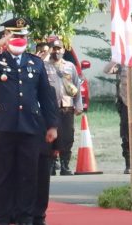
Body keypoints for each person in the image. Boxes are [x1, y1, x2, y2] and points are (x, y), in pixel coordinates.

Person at [0, 17, 58, 225]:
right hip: (2, 125)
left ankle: (25, 215)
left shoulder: (35, 62)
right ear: (6, 37)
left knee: (28, 174)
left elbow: (46, 96)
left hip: (30, 125)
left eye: (22, 36)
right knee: (1, 173)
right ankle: (1, 215)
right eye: (14, 36)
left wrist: (52, 125)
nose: (19, 39)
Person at [44, 37, 82, 176]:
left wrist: (79, 105)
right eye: (54, 48)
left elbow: (77, 85)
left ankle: (65, 165)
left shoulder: (70, 66)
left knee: (67, 136)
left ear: (64, 50)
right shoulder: (44, 65)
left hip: (67, 106)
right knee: (50, 137)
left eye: (59, 48)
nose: (57, 51)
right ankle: (51, 164)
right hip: (49, 108)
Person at [102, 61, 132, 174]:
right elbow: (106, 70)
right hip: (126, 103)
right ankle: (128, 165)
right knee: (126, 135)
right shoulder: (122, 64)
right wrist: (115, 60)